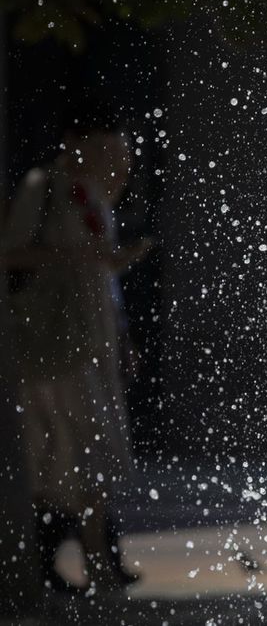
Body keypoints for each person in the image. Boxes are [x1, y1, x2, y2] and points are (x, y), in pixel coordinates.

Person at [0, 117, 152, 592]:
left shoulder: (95, 200)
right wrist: (78, 258)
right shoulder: (44, 188)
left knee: (81, 456)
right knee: (68, 454)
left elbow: (104, 280)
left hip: (92, 344)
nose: (117, 168)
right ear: (77, 145)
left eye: (122, 159)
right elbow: (12, 254)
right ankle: (88, 560)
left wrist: (123, 338)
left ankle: (85, 559)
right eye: (107, 154)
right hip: (53, 344)